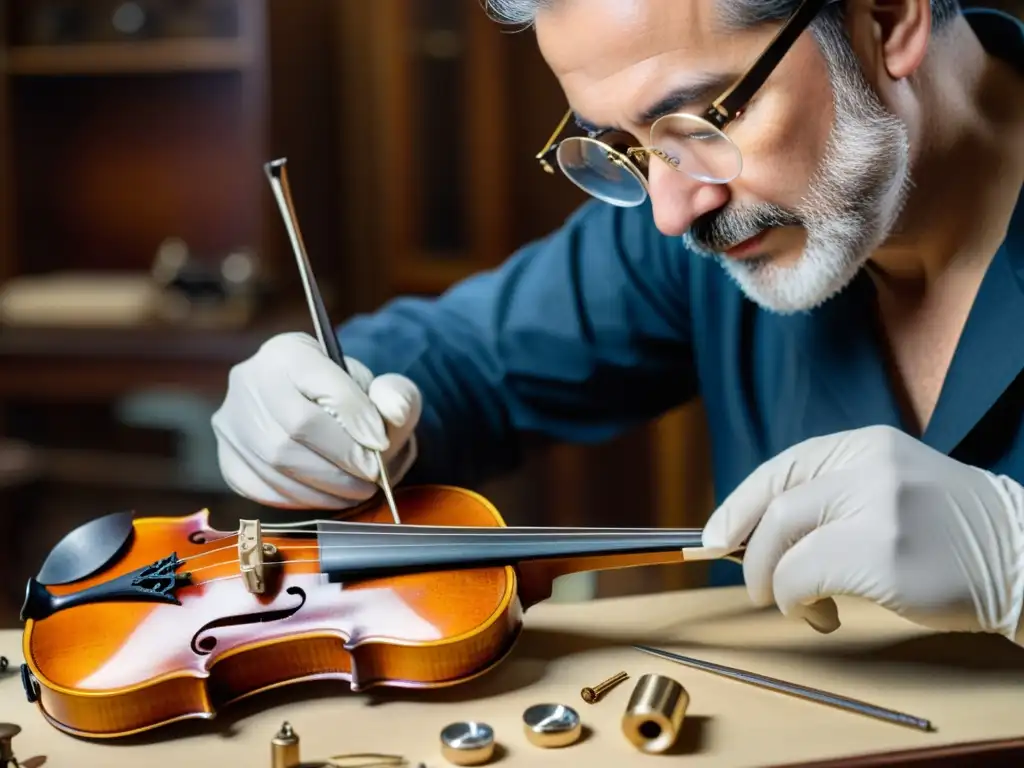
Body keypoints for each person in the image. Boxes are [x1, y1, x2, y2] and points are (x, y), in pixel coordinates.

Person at [212, 0, 1024, 644]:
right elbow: (463, 360)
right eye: (627, 145)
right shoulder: (710, 214)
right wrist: (323, 402)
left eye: (708, 119)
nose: (672, 213)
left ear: (886, 18)